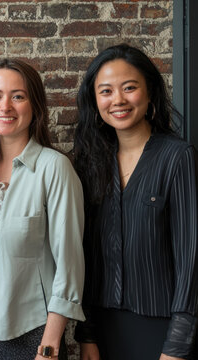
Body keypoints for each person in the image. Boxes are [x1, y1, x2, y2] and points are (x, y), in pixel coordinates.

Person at [0, 59, 85, 360]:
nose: (5, 106)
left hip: (32, 339)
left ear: (34, 104)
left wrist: (48, 349)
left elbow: (70, 267)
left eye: (18, 96)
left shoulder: (55, 169)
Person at [73, 44, 198, 360]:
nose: (118, 100)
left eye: (129, 88)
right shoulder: (90, 164)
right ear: (95, 100)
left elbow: (191, 260)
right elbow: (85, 254)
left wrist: (177, 347)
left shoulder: (177, 157)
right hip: (104, 332)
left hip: (164, 331)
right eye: (106, 91)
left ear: (149, 92)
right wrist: (87, 335)